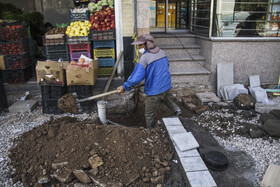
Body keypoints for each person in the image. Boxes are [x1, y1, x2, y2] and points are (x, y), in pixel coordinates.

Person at [117, 34, 181, 128]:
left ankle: (149, 131)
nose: (138, 47)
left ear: (147, 45)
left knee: (149, 114)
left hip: (155, 91)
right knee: (165, 98)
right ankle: (177, 110)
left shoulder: (145, 58)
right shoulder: (162, 52)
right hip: (166, 85)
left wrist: (125, 86)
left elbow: (137, 77)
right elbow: (165, 67)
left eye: (140, 45)